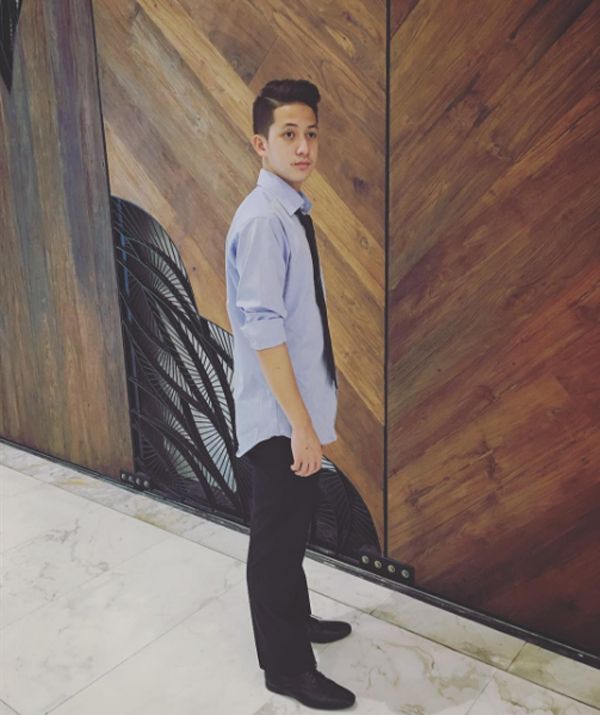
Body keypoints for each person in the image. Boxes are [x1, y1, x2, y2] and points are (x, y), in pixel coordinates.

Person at [224, 79, 356, 710]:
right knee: (275, 543)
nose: (303, 147)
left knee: (293, 528)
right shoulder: (262, 221)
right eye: (288, 135)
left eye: (310, 135)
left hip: (295, 413)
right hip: (279, 419)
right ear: (261, 143)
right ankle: (286, 669)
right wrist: (301, 425)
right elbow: (264, 331)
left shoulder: (290, 211)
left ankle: (296, 621)